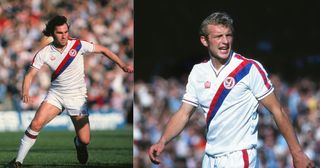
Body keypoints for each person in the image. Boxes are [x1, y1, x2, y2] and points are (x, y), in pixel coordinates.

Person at [148, 12, 314, 168]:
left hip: (239, 157)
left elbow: (277, 111)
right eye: (218, 36)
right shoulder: (198, 72)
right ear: (204, 41)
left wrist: (297, 152)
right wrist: (162, 141)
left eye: (228, 35)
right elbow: (184, 113)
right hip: (209, 158)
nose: (225, 41)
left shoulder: (249, 68)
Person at [5, 15, 133, 168]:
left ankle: (79, 144)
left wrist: (122, 65)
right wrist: (25, 91)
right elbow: (30, 74)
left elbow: (104, 50)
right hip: (56, 95)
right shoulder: (44, 52)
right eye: (60, 32)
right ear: (52, 33)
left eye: (66, 31)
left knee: (85, 139)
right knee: (36, 124)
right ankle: (18, 161)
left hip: (77, 97)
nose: (64, 35)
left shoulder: (78, 45)